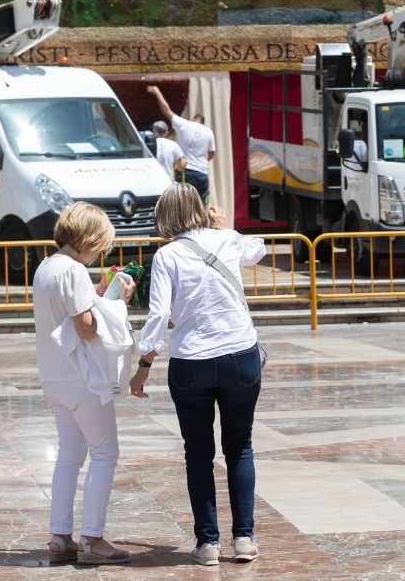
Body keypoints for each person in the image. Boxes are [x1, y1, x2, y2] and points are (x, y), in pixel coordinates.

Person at [129, 185, 265, 567]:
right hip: (240, 353)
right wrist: (225, 230)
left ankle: (207, 543)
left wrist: (144, 367)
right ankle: (244, 539)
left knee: (198, 453)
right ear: (201, 210)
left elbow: (158, 317)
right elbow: (260, 249)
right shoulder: (227, 239)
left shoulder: (166, 255)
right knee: (239, 447)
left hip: (192, 361)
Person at [32, 203, 133, 566]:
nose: (100, 253)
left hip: (53, 375)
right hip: (81, 378)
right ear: (89, 239)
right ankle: (93, 537)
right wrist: (119, 303)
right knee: (105, 454)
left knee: (69, 455)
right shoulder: (73, 270)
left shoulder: (46, 267)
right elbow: (86, 326)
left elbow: (68, 307)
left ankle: (60, 535)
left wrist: (100, 291)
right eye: (100, 245)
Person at [149, 87, 216, 201]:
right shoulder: (209, 132)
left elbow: (166, 110)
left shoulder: (185, 124)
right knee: (200, 206)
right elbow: (210, 155)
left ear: (192, 119)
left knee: (183, 206)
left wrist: (157, 92)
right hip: (202, 174)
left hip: (187, 172)